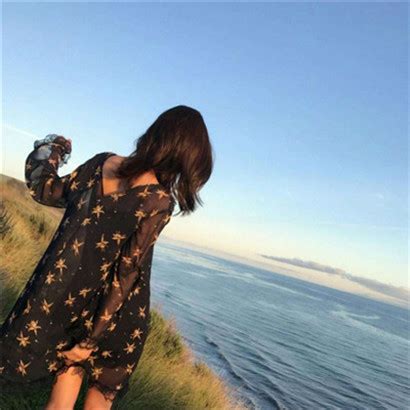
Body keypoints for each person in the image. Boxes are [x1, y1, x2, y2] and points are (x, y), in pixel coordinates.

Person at [0, 105, 214, 409]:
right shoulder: (158, 200)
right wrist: (92, 339)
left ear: (155, 135)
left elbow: (45, 189)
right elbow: (127, 272)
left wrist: (53, 147)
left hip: (68, 304)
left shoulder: (102, 163)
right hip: (118, 316)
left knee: (60, 401)